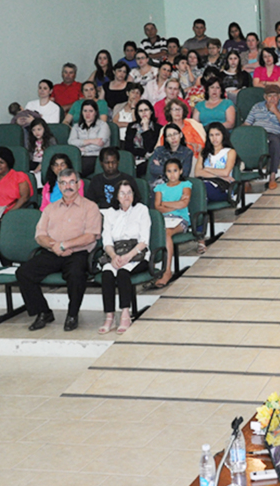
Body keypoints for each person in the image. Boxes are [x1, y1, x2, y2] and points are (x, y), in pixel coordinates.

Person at [17, 167, 101, 332]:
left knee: (76, 274)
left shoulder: (90, 207)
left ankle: (72, 315)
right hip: (53, 251)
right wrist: (54, 245)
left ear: (78, 184)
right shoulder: (50, 208)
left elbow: (91, 236)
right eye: (63, 183)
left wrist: (65, 245)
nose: (67, 186)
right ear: (59, 186)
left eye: (71, 182)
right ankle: (43, 312)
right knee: (24, 272)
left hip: (78, 252)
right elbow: (39, 235)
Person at [98, 177, 150, 334]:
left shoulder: (142, 210)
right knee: (107, 274)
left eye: (129, 193)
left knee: (122, 273)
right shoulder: (109, 213)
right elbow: (106, 240)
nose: (126, 197)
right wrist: (113, 256)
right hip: (116, 253)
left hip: (137, 253)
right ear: (116, 196)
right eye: (122, 193)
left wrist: (128, 256)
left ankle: (125, 314)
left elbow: (144, 241)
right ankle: (109, 316)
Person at [151, 158, 194, 288]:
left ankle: (167, 271)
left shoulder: (185, 185)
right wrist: (175, 205)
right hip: (163, 219)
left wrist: (165, 204)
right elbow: (157, 206)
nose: (172, 174)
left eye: (175, 171)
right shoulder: (159, 187)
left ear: (180, 171)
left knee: (167, 233)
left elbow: (184, 203)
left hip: (180, 220)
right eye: (169, 171)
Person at [243, 84, 280, 190]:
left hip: (273, 134)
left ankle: (272, 177)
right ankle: (245, 180)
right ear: (265, 97)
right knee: (243, 142)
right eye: (270, 96)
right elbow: (247, 124)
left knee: (275, 143)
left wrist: (276, 111)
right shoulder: (257, 107)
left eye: (275, 96)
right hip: (256, 134)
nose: (272, 99)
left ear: (279, 96)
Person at [194, 122, 237, 204]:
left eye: (217, 134)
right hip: (205, 183)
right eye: (211, 135)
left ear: (223, 135)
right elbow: (197, 172)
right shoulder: (203, 152)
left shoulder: (230, 152)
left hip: (222, 187)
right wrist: (219, 176)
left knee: (201, 189)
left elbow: (225, 172)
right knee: (194, 187)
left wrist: (206, 169)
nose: (214, 138)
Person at [68, 100, 111, 177]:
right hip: (78, 156)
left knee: (75, 173)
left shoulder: (103, 125)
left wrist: (81, 148)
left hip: (95, 157)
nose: (87, 114)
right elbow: (71, 142)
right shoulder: (76, 126)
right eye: (85, 111)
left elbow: (99, 145)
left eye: (90, 111)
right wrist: (91, 141)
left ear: (95, 112)